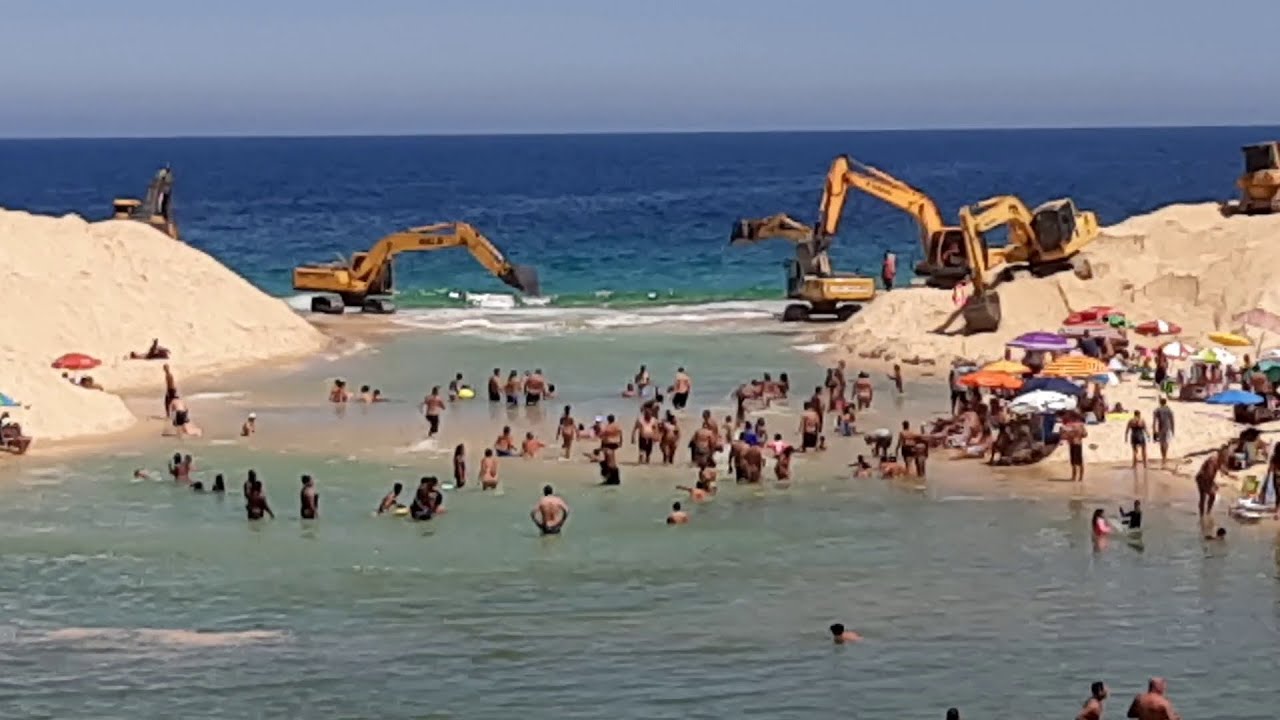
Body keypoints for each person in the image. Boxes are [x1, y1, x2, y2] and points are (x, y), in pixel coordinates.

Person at [1196, 446, 1231, 519]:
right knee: (1210, 495)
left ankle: (1205, 514)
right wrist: (1213, 484)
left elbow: (1222, 468)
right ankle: (1205, 515)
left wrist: (1229, 474)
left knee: (1204, 497)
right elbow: (1209, 474)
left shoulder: (1219, 460)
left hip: (1203, 478)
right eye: (1225, 455)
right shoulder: (1213, 460)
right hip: (1201, 478)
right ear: (1221, 454)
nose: (1226, 458)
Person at [1063, 414, 1088, 483]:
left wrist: (1072, 434)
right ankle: (1079, 477)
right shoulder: (1080, 425)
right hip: (1076, 443)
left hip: (1075, 443)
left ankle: (1076, 477)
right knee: (1076, 461)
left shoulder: (1071, 425)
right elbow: (1085, 434)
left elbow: (1065, 435)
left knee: (1076, 462)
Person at [1153, 398, 1174, 467]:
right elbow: (1172, 420)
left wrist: (1154, 431)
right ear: (1166, 402)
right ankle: (1165, 457)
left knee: (1162, 444)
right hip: (1168, 428)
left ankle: (1163, 457)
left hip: (1160, 428)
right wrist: (1173, 430)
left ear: (1160, 402)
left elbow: (1154, 421)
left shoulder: (1157, 410)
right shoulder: (1169, 410)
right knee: (1166, 443)